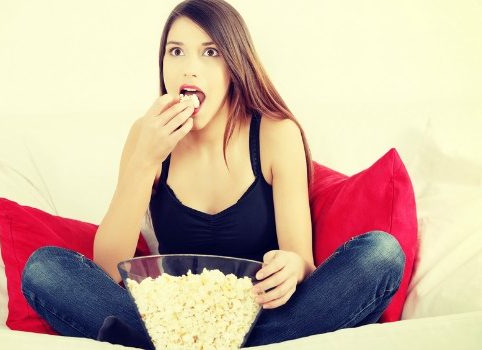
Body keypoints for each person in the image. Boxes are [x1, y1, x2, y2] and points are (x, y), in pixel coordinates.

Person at [21, 0, 405, 348]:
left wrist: (292, 268)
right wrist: (144, 162)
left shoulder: (275, 134)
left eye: (210, 52)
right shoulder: (146, 133)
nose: (190, 67)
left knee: (380, 255)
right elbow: (108, 267)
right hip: (169, 319)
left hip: (262, 316)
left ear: (234, 65)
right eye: (176, 51)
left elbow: (301, 259)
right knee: (44, 269)